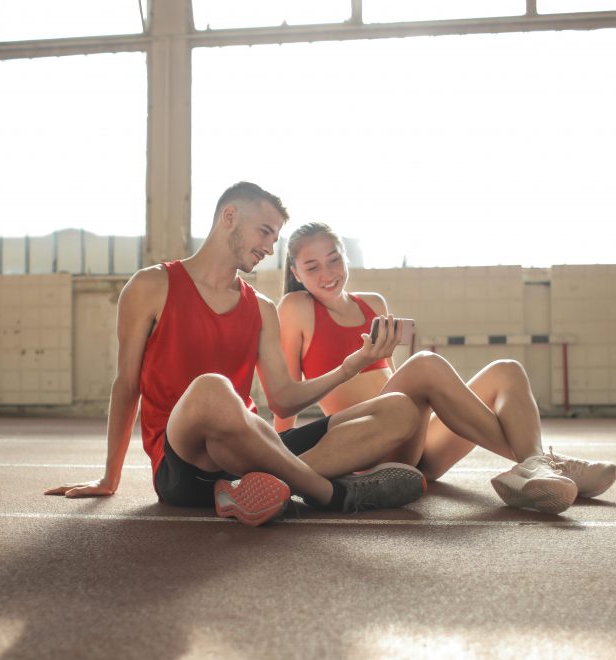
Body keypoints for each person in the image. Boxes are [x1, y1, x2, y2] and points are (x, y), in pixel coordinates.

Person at [46, 183, 427, 527]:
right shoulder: (150, 285)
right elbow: (127, 384)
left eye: (275, 238)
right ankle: (330, 494)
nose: (270, 248)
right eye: (265, 231)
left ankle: (257, 489)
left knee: (399, 409)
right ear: (229, 216)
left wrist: (351, 367)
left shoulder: (261, 307)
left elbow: (283, 399)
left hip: (250, 451)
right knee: (212, 389)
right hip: (186, 466)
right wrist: (109, 477)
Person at [275, 222, 616, 515]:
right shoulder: (296, 306)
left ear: (345, 257)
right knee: (424, 364)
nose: (327, 273)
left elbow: (390, 379)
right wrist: (277, 448)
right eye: (312, 266)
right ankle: (546, 462)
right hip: (372, 445)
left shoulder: (373, 303)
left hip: (418, 444)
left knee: (507, 370)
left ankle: (535, 465)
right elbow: (285, 398)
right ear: (295, 273)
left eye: (334, 259)